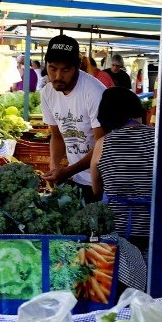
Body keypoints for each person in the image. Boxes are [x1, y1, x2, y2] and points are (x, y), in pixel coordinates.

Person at [91, 87, 162, 290]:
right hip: (156, 227)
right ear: (136, 109)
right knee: (154, 292)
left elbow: (97, 190)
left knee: (122, 293)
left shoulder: (102, 143)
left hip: (118, 232)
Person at [39, 34, 106, 199]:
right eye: (53, 68)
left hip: (102, 181)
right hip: (77, 178)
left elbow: (102, 145)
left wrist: (68, 171)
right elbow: (57, 136)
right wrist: (55, 166)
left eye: (65, 69)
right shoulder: (47, 93)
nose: (58, 76)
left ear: (77, 67)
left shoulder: (94, 92)